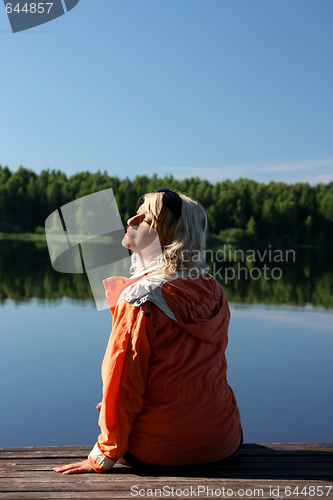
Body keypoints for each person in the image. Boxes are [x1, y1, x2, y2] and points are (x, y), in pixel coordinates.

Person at [54, 188, 242, 475]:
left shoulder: (141, 297)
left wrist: (102, 456)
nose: (131, 219)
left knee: (116, 397)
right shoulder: (212, 289)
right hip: (222, 442)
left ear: (169, 236)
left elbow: (123, 383)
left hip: (160, 451)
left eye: (146, 219)